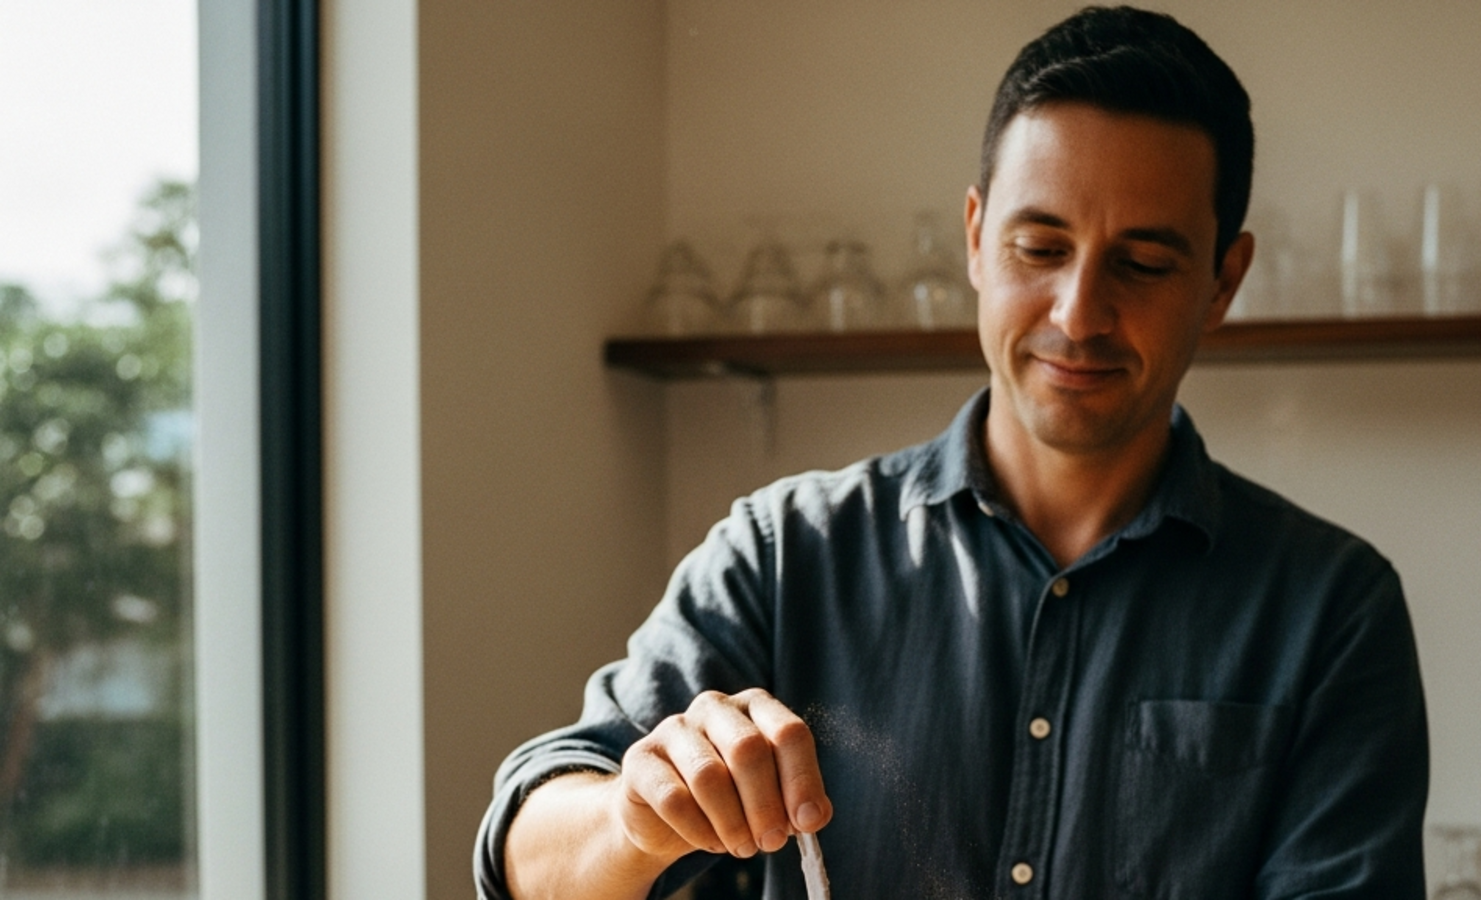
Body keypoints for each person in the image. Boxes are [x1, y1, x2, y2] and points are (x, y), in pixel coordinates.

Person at [474, 6, 1429, 899]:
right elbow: (527, 860)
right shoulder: (784, 554)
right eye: (1039, 247)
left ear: (1223, 281)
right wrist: (638, 821)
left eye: (1143, 263)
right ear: (976, 240)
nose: (1078, 315)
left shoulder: (1332, 610)